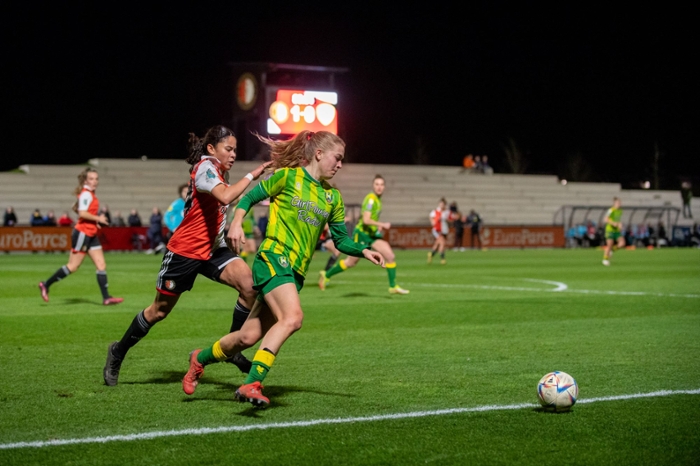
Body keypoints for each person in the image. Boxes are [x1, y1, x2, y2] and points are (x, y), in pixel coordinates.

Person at [181, 130, 385, 408]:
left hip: (294, 273)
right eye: (337, 158)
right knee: (293, 317)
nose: (340, 165)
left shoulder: (333, 197)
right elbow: (249, 198)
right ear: (319, 154)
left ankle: (199, 359)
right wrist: (237, 222)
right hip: (273, 258)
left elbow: (341, 239)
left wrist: (363, 250)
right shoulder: (287, 177)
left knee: (247, 336)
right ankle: (252, 383)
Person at [102, 125, 271, 387]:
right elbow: (226, 196)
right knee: (158, 311)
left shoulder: (219, 170)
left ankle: (232, 349)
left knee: (249, 286)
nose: (234, 154)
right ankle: (118, 351)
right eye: (229, 148)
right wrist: (254, 173)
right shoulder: (205, 168)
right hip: (185, 252)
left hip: (213, 250)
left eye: (235, 149)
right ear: (211, 149)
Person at [38, 168, 123, 305]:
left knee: (101, 264)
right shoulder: (86, 195)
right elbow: (82, 213)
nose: (94, 181)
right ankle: (46, 284)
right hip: (82, 234)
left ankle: (106, 298)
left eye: (96, 179)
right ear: (85, 180)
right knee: (72, 266)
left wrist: (94, 222)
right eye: (91, 179)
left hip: (91, 233)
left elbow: (76, 207)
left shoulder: (89, 194)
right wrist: (98, 218)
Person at [320, 174, 408, 294]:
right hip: (361, 234)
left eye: (382, 184)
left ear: (384, 187)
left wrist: (377, 228)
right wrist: (381, 224)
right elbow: (366, 220)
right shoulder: (371, 199)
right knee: (350, 262)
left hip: (371, 235)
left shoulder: (378, 200)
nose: (379, 187)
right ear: (373, 186)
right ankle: (327, 275)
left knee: (390, 256)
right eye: (377, 184)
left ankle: (393, 286)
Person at [602, 197, 625, 266]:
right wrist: (613, 223)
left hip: (616, 230)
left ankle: (612, 250)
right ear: (614, 203)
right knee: (609, 245)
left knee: (622, 243)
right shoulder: (611, 210)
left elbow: (618, 220)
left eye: (619, 203)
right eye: (617, 203)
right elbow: (605, 219)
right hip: (610, 230)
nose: (619, 204)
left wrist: (620, 225)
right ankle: (605, 259)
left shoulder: (620, 211)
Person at [428, 198, 450, 264]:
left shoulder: (447, 212)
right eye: (441, 204)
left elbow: (450, 219)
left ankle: (431, 255)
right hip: (437, 230)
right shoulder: (436, 211)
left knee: (437, 244)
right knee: (442, 243)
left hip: (444, 230)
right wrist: (432, 222)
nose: (442, 205)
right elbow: (431, 217)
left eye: (443, 204)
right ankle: (442, 259)